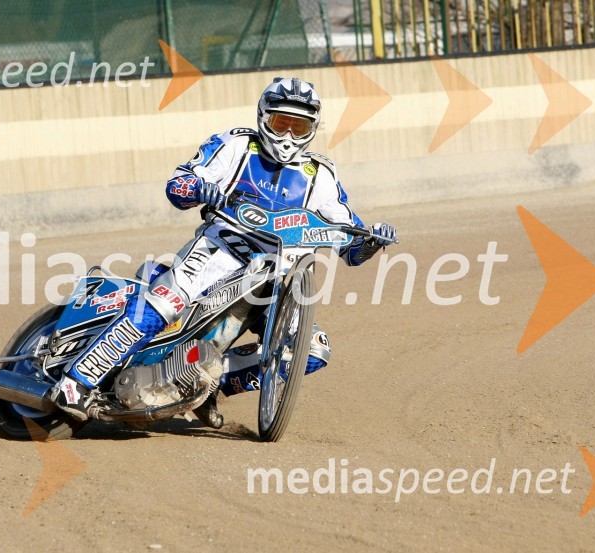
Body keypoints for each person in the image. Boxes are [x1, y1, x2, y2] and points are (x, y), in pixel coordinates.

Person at [59, 77, 396, 428]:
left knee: (312, 351)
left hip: (275, 277)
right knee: (166, 301)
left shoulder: (321, 175)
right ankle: (76, 380)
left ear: (313, 128)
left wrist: (372, 240)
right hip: (219, 249)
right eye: (281, 123)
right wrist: (199, 188)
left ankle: (206, 385)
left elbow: (351, 243)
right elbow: (178, 185)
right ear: (264, 117)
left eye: (299, 127)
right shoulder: (237, 145)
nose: (288, 136)